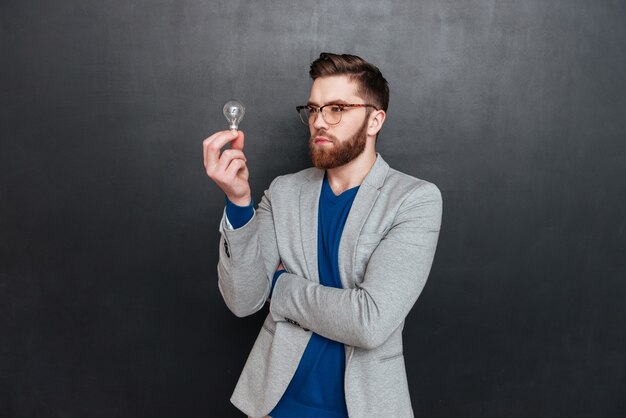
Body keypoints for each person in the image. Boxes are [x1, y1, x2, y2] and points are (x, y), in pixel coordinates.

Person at [203, 52, 442, 418]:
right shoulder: (284, 191)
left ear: (375, 119)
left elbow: (369, 322)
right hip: (273, 405)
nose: (319, 122)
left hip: (364, 407)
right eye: (313, 110)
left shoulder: (413, 200)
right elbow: (244, 299)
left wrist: (280, 286)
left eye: (337, 109)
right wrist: (239, 202)